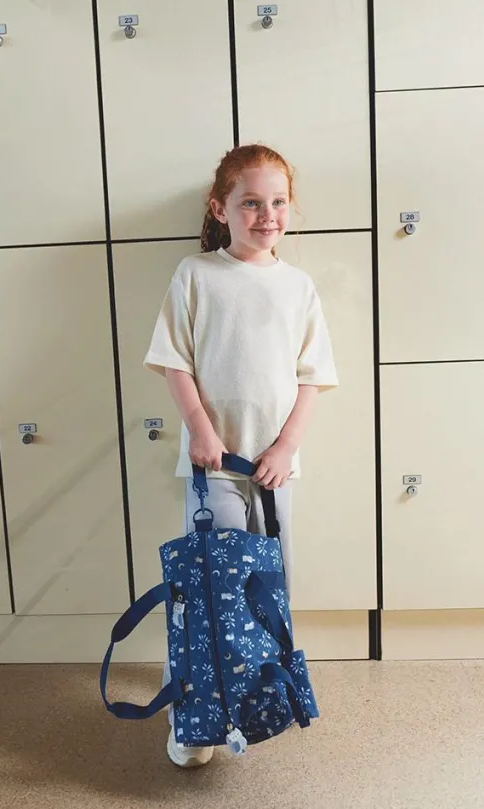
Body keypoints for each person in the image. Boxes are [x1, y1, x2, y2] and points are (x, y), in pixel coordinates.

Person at [143, 144, 339, 767]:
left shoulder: (298, 286)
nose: (266, 215)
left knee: (267, 590)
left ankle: (251, 701)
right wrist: (201, 432)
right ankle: (195, 719)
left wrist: (286, 446)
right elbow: (174, 361)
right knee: (210, 590)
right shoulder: (196, 274)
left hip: (275, 468)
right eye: (251, 202)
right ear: (219, 208)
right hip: (214, 468)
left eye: (278, 202)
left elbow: (312, 376)